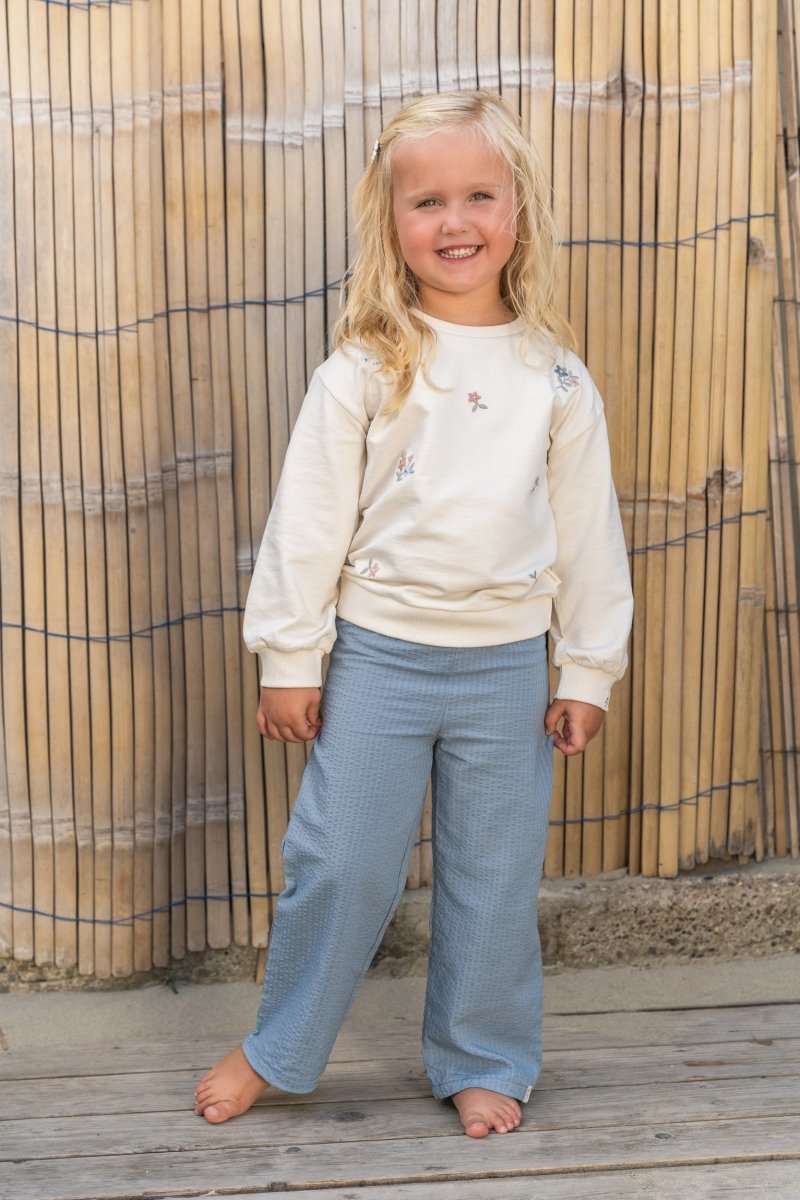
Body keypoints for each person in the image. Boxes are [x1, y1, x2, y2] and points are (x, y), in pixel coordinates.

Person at [194, 89, 633, 1138]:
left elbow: (588, 536)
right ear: (391, 224)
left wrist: (586, 671)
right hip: (378, 664)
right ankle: (279, 1048)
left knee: (492, 879)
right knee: (340, 863)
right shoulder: (361, 370)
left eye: (479, 195)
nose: (454, 221)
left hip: (506, 672)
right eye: (426, 201)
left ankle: (483, 1057)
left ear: (519, 211)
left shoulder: (556, 381)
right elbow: (308, 521)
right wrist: (290, 657)